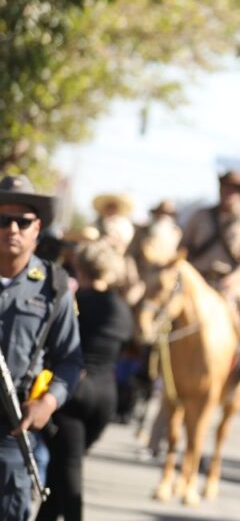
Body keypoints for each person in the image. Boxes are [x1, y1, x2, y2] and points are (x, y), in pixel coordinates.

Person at [0, 175, 82, 519]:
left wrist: (47, 402)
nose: (12, 229)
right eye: (3, 220)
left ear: (38, 228)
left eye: (23, 221)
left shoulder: (54, 288)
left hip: (12, 423)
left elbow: (70, 360)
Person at [37, 240, 132, 521]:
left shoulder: (76, 302)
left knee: (68, 469)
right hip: (106, 396)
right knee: (61, 471)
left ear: (80, 266)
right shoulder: (122, 309)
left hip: (73, 392)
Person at [180, 170, 240, 400]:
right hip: (197, 280)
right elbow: (183, 248)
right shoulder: (200, 216)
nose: (228, 193)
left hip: (232, 284)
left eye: (234, 190)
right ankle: (147, 367)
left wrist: (235, 279)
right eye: (225, 188)